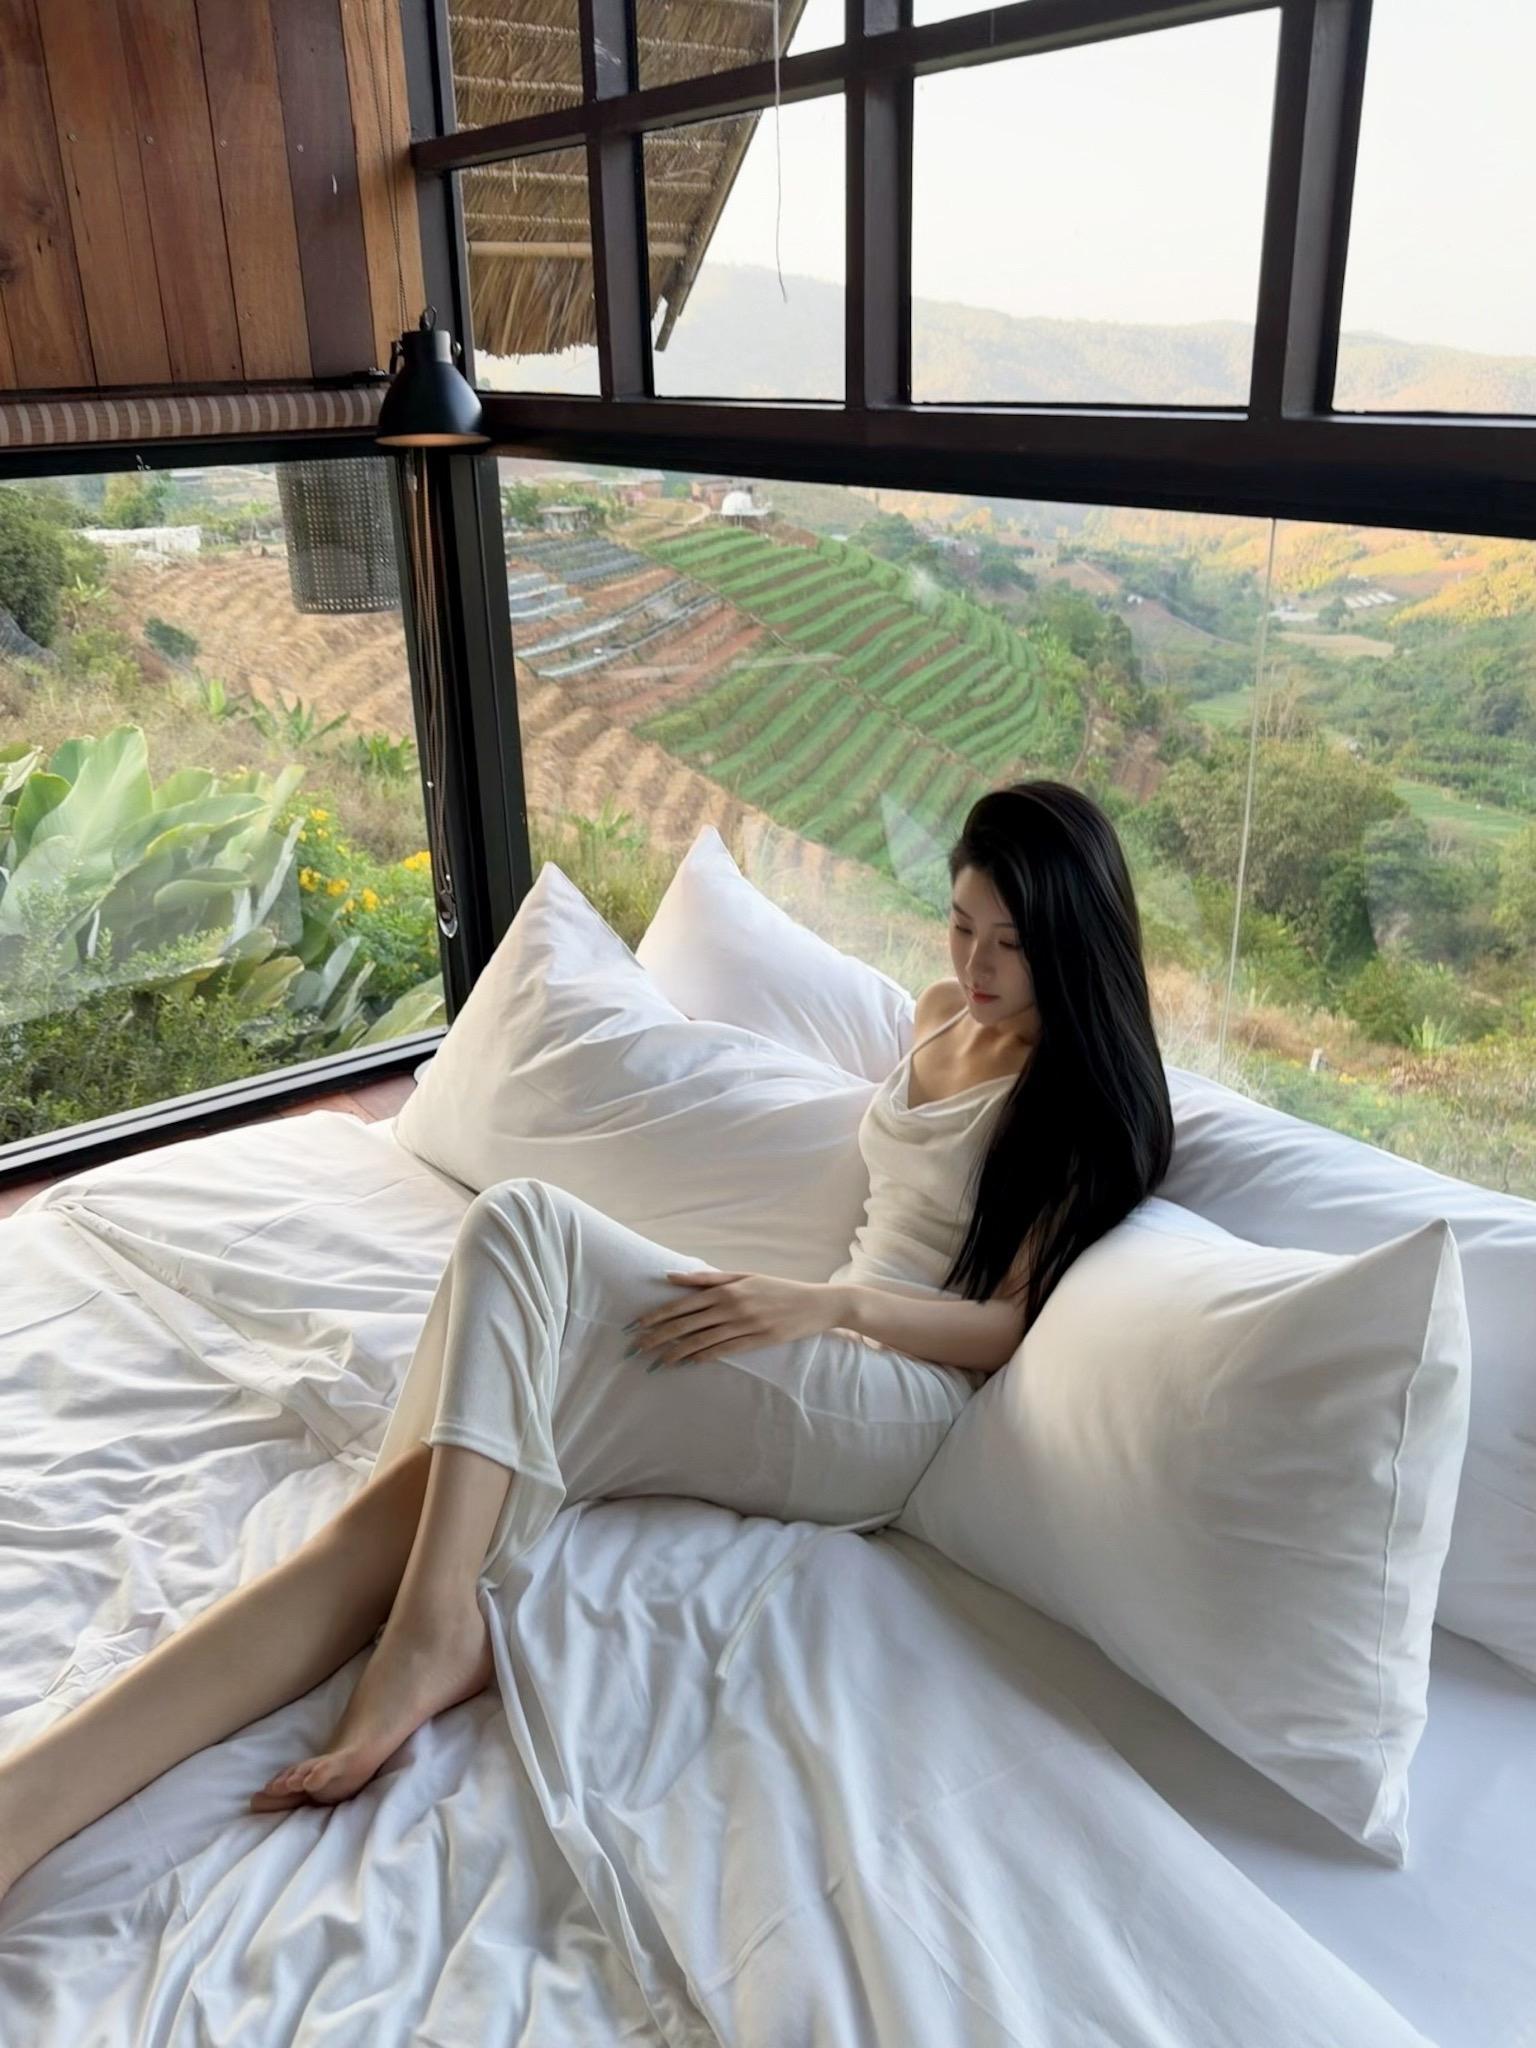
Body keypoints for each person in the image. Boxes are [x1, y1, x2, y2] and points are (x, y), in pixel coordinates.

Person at [0, 780, 1172, 1904]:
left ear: (1070, 939)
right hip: (803, 1348)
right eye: (960, 925)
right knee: (415, 1499)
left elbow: (1004, 1324)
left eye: (1007, 943)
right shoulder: (935, 1013)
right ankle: (26, 1807)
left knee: (523, 1226)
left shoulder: (1074, 1094)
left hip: (885, 1406)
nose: (974, 965)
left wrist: (829, 1305)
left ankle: (434, 1629)